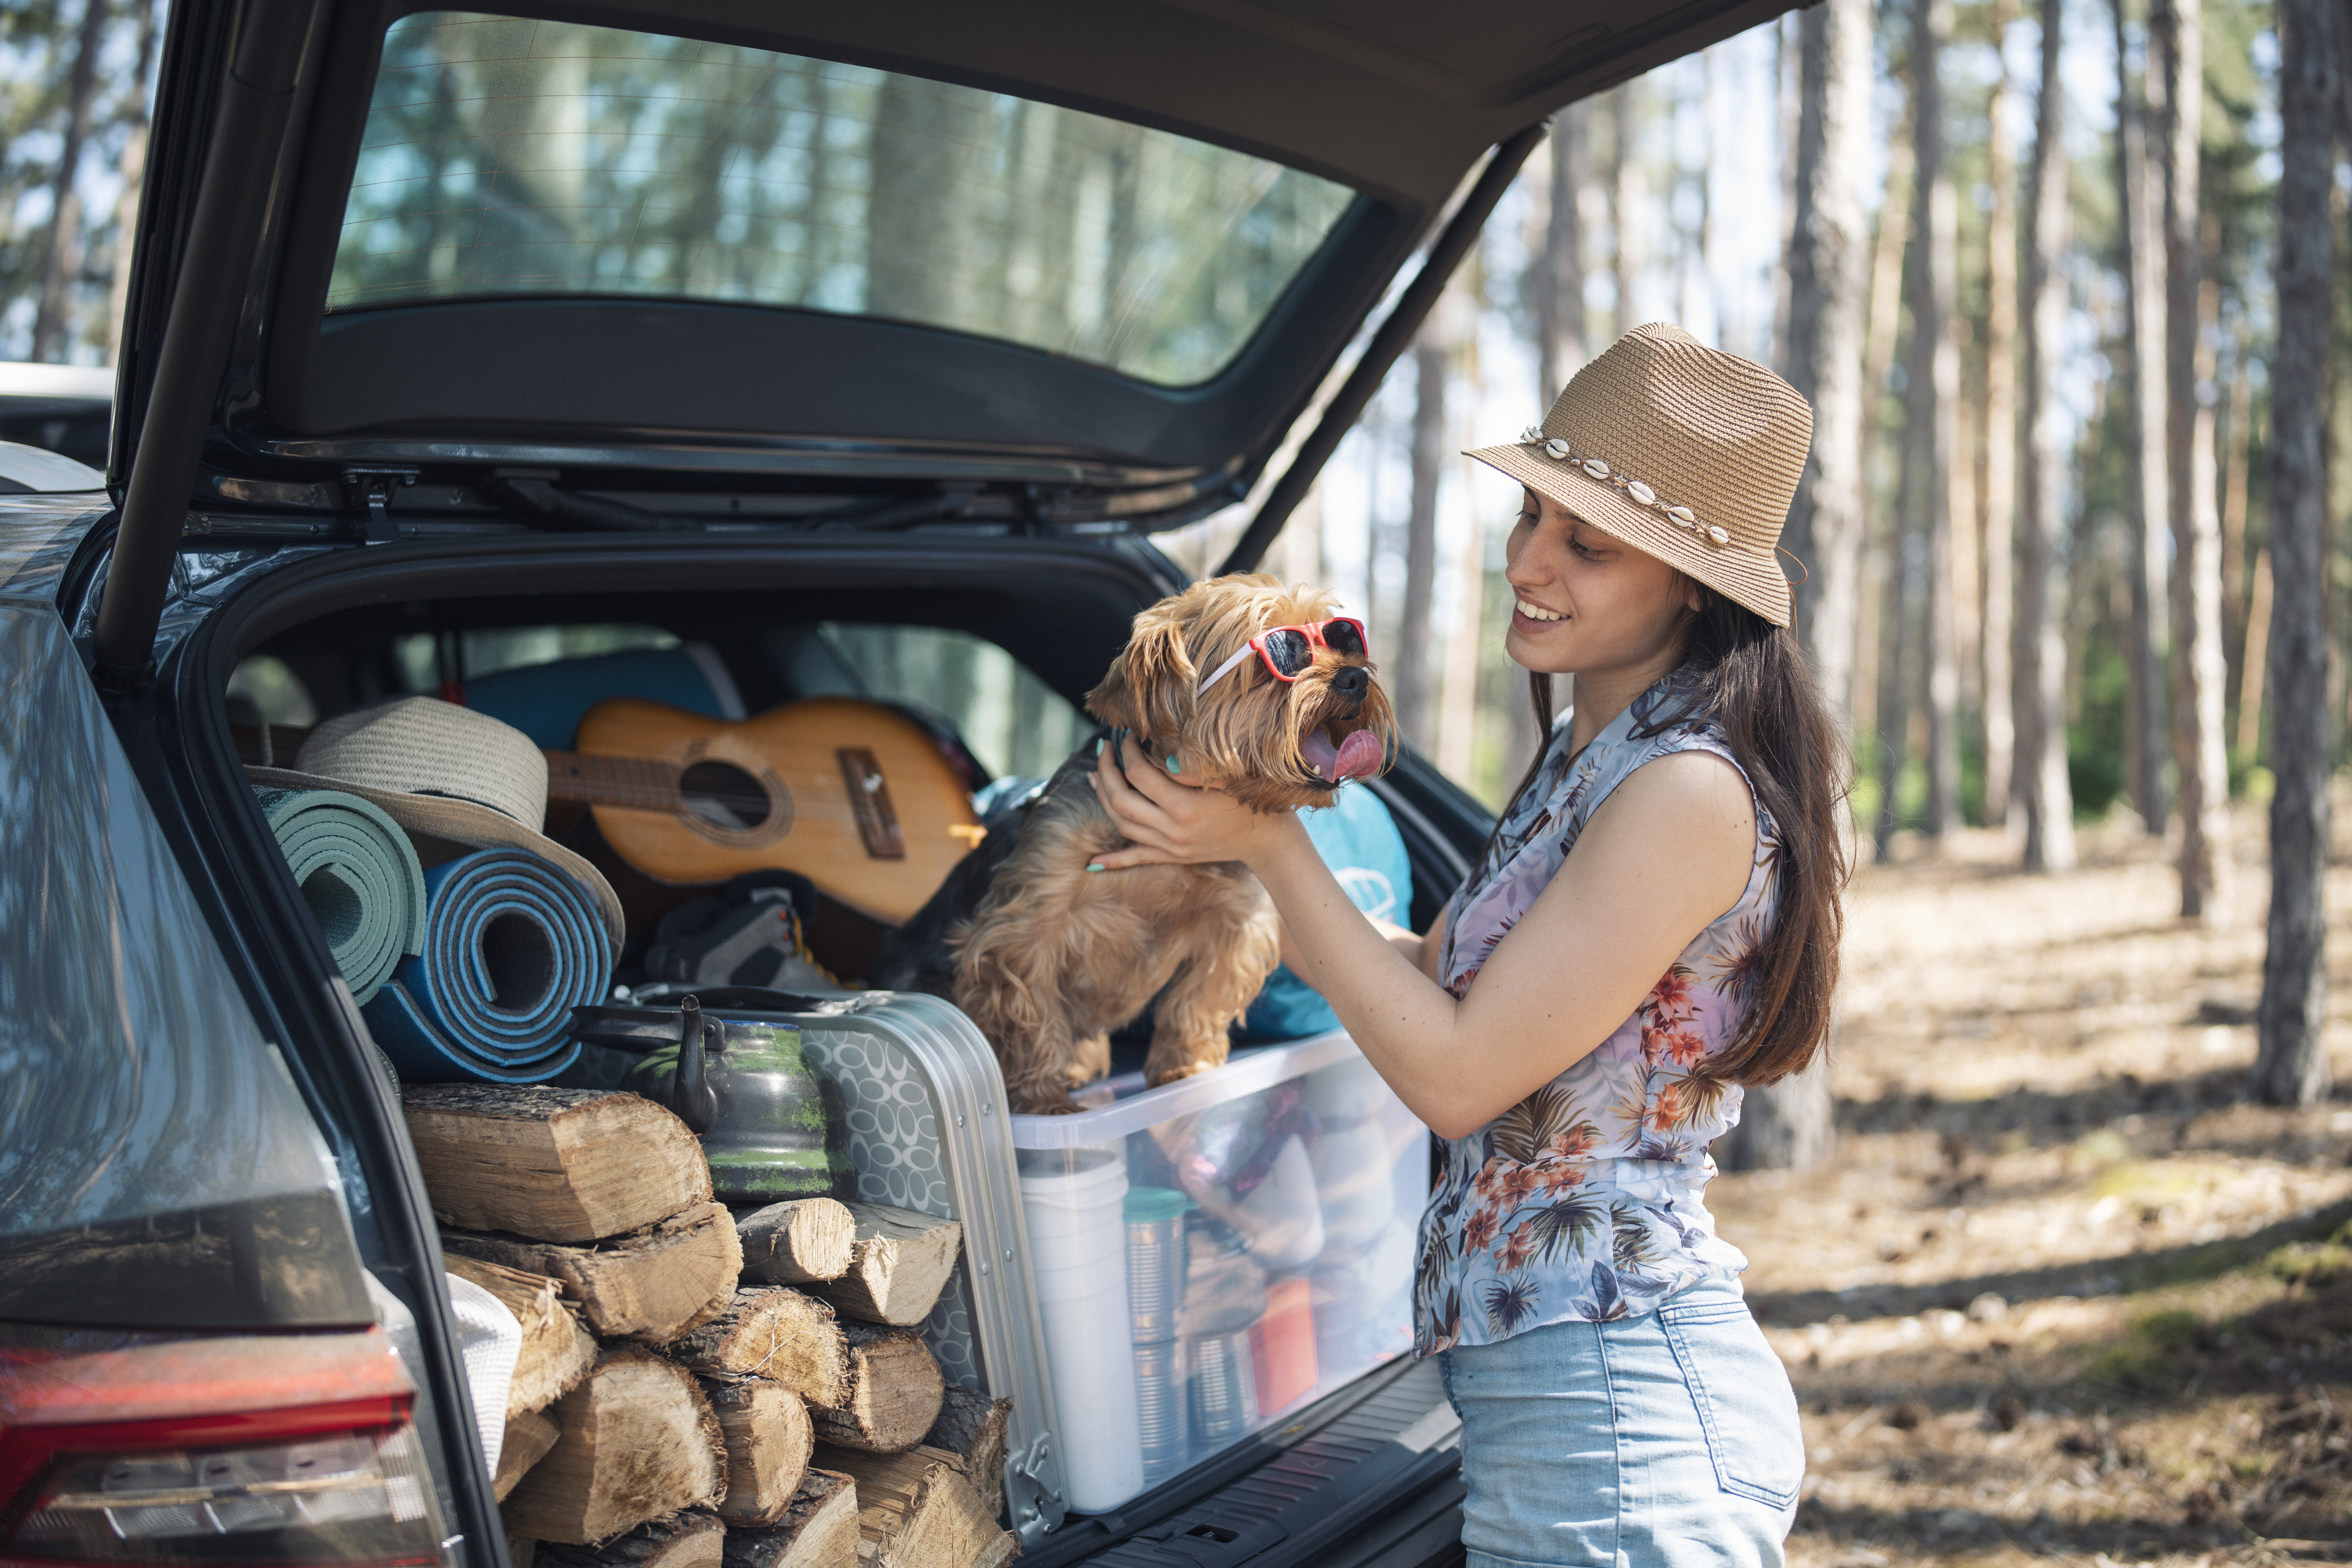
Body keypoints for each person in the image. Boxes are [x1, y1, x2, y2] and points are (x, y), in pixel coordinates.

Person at [1087, 322, 1848, 1568]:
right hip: (1564, 1401)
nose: (1527, 562)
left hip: (1616, 1422)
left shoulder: (1686, 790)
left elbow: (1456, 1077)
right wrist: (1202, 869)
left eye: (1586, 545)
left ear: (1690, 584)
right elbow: (1427, 982)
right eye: (1531, 516)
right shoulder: (1592, 755)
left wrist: (1271, 848)